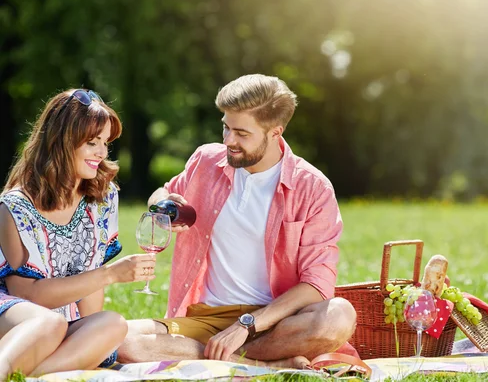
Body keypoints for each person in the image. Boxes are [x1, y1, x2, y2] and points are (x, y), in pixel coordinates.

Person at [118, 74, 357, 368]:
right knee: (118, 339)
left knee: (338, 316)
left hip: (276, 323)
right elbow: (164, 190)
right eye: (226, 128)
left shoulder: (312, 188)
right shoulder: (206, 161)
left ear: (275, 132)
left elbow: (317, 285)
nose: (229, 140)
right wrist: (160, 205)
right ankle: (266, 365)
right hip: (207, 320)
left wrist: (246, 326)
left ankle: (224, 357)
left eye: (242, 134)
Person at [0, 89, 156, 378]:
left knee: (112, 324)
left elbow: (90, 290)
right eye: (92, 142)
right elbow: (26, 295)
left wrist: (92, 341)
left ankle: (27, 375)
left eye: (105, 143)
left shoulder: (103, 199)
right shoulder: (15, 206)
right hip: (14, 314)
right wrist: (111, 274)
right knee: (49, 324)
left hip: (60, 323)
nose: (101, 153)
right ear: (61, 142)